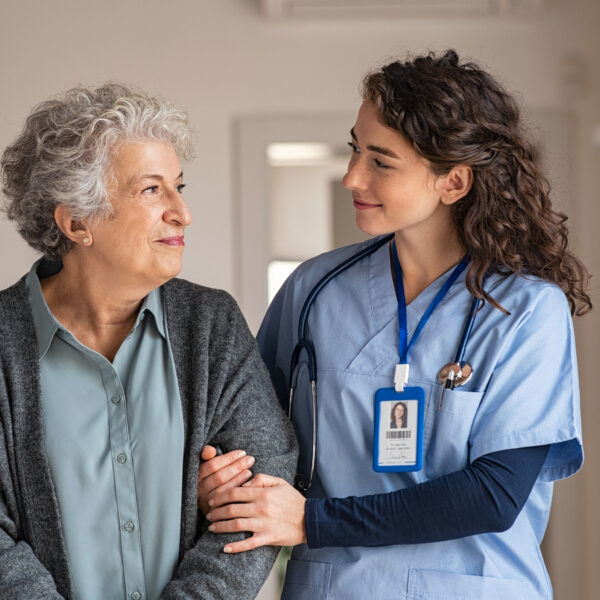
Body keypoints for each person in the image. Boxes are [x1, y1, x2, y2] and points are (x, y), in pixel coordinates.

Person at [198, 50, 591, 599]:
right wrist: (219, 479)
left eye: (381, 162)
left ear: (452, 183)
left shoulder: (525, 310)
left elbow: (495, 495)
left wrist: (313, 522)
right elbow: (244, 429)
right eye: (355, 149)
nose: (351, 175)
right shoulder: (314, 290)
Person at [0, 83, 297, 600]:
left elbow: (262, 493)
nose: (182, 213)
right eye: (152, 190)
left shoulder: (211, 324)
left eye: (179, 186)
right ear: (76, 221)